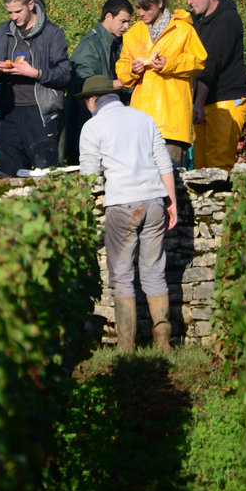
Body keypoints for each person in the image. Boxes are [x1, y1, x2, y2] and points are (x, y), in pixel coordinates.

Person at [77, 74, 178, 351]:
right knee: (154, 270)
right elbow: (163, 163)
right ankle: (163, 340)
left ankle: (126, 346)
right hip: (154, 200)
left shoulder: (93, 126)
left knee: (122, 275)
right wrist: (172, 203)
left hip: (121, 203)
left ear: (92, 99)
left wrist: (83, 208)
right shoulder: (143, 118)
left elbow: (88, 175)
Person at [116, 0, 207, 168]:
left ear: (159, 3)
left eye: (146, 8)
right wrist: (132, 70)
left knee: (171, 182)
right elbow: (122, 70)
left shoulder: (183, 29)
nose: (141, 13)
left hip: (172, 123)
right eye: (138, 8)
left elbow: (199, 61)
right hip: (140, 123)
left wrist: (170, 64)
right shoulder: (133, 34)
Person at [0, 0, 72, 176]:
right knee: (10, 173)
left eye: (17, 11)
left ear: (31, 4)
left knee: (45, 173)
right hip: (9, 112)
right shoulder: (3, 32)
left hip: (40, 113)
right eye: (9, 12)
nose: (13, 17)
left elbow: (65, 74)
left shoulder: (52, 34)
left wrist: (35, 73)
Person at [181, 0, 246, 171]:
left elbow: (210, 64)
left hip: (226, 100)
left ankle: (223, 202)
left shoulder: (227, 20)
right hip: (205, 100)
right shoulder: (198, 19)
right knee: (200, 167)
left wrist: (199, 103)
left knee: (218, 165)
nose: (189, 1)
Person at [64, 0, 134, 164]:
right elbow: (88, 86)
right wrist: (127, 81)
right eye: (123, 21)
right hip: (89, 123)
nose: (126, 26)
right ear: (108, 16)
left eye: (128, 22)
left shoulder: (118, 44)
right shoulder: (89, 46)